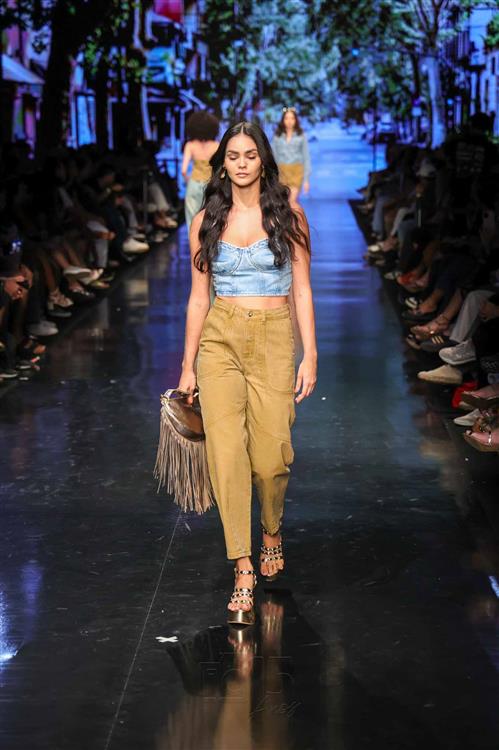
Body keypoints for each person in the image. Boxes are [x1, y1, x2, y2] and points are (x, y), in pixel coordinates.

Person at [178, 121, 317, 626]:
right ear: (222, 164)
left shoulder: (288, 216)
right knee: (226, 456)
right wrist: (188, 365)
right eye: (233, 155)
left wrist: (311, 354)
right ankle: (242, 566)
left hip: (274, 338)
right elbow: (199, 298)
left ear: (264, 161)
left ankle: (271, 528)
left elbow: (302, 288)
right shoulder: (205, 221)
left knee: (271, 458)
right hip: (220, 340)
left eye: (250, 155)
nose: (241, 163)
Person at [181, 111, 220, 229]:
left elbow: (183, 170)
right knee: (211, 217)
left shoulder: (190, 145)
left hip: (194, 183)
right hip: (211, 184)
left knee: (192, 219)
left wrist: (188, 180)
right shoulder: (216, 145)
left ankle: (193, 241)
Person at [271, 107, 311, 205]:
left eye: (292, 118)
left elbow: (306, 156)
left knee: (292, 201)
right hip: (281, 172)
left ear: (296, 120)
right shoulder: (277, 136)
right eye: (286, 118)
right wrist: (272, 176)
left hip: (296, 171)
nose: (289, 121)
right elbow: (273, 156)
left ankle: (294, 214)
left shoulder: (301, 135)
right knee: (283, 203)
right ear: (283, 120)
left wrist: (306, 180)